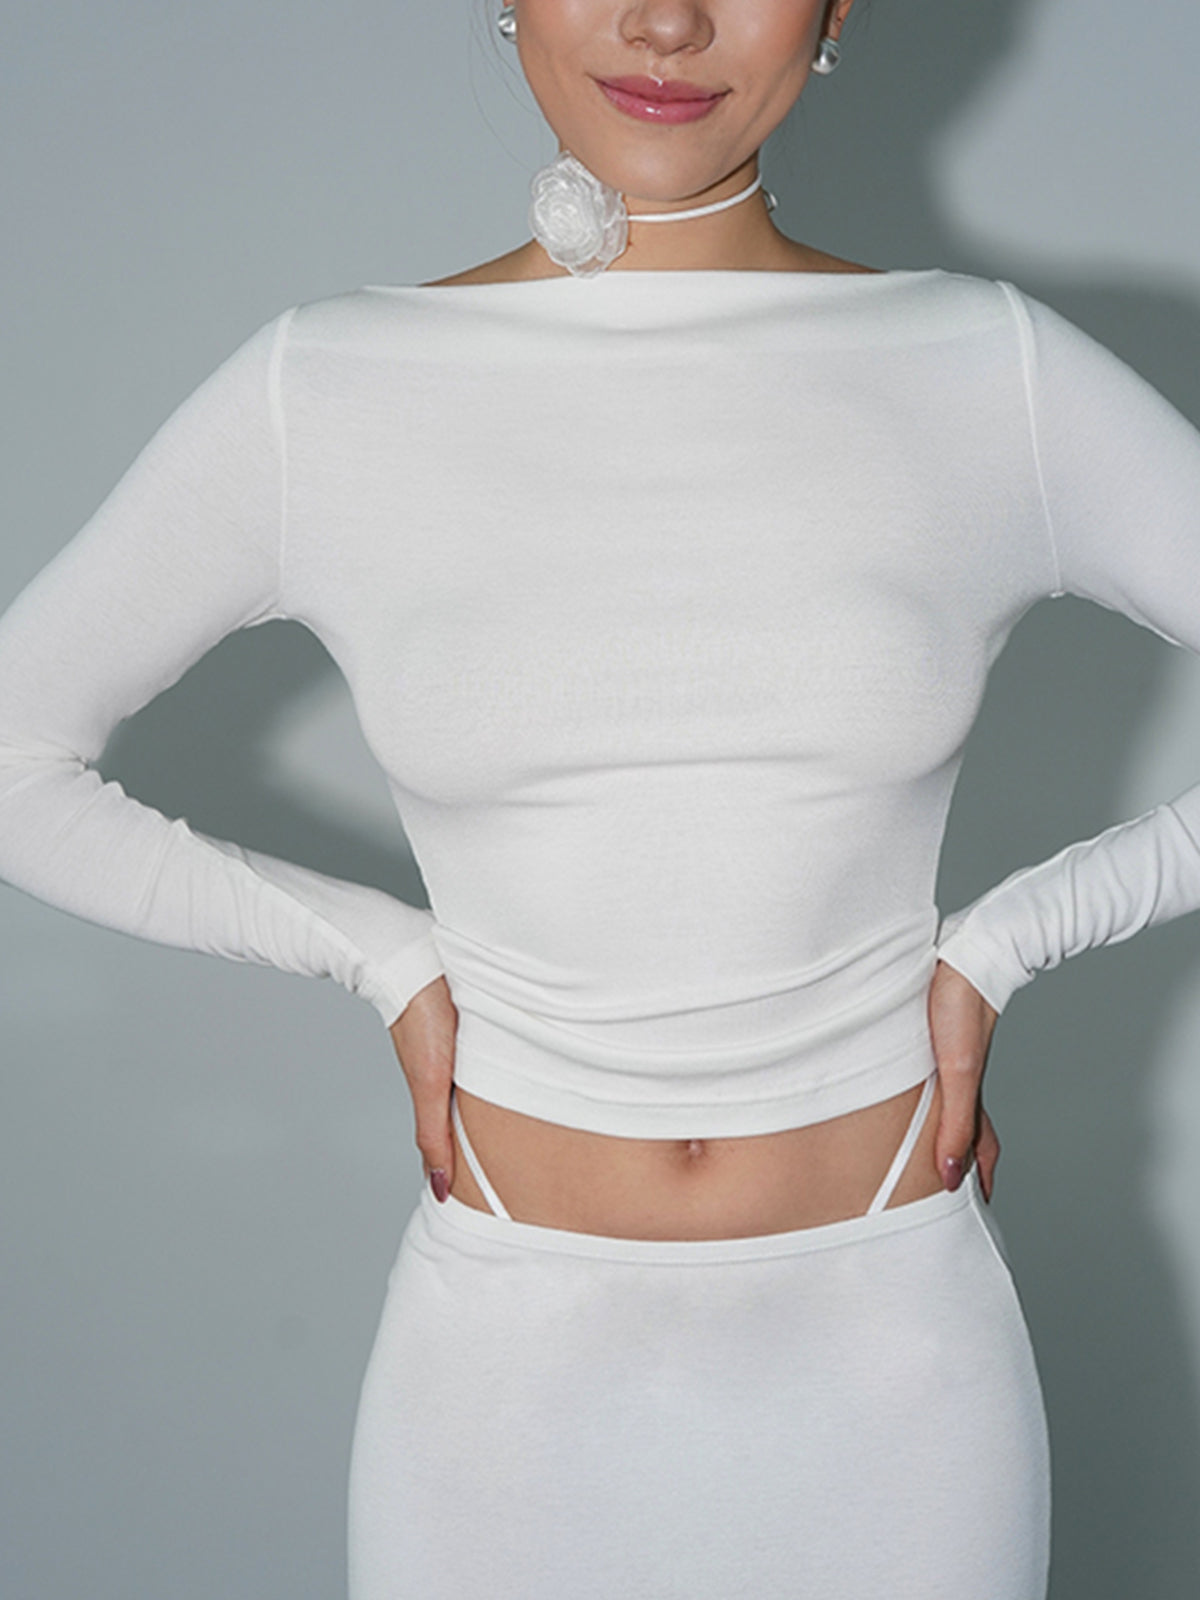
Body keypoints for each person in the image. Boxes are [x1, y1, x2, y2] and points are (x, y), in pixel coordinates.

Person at [1, 1, 1198, 1595]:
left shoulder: (986, 370)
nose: (665, 20)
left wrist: (1011, 940)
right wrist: (378, 953)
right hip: (508, 1385)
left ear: (838, 8)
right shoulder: (331, 387)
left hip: (897, 1363)